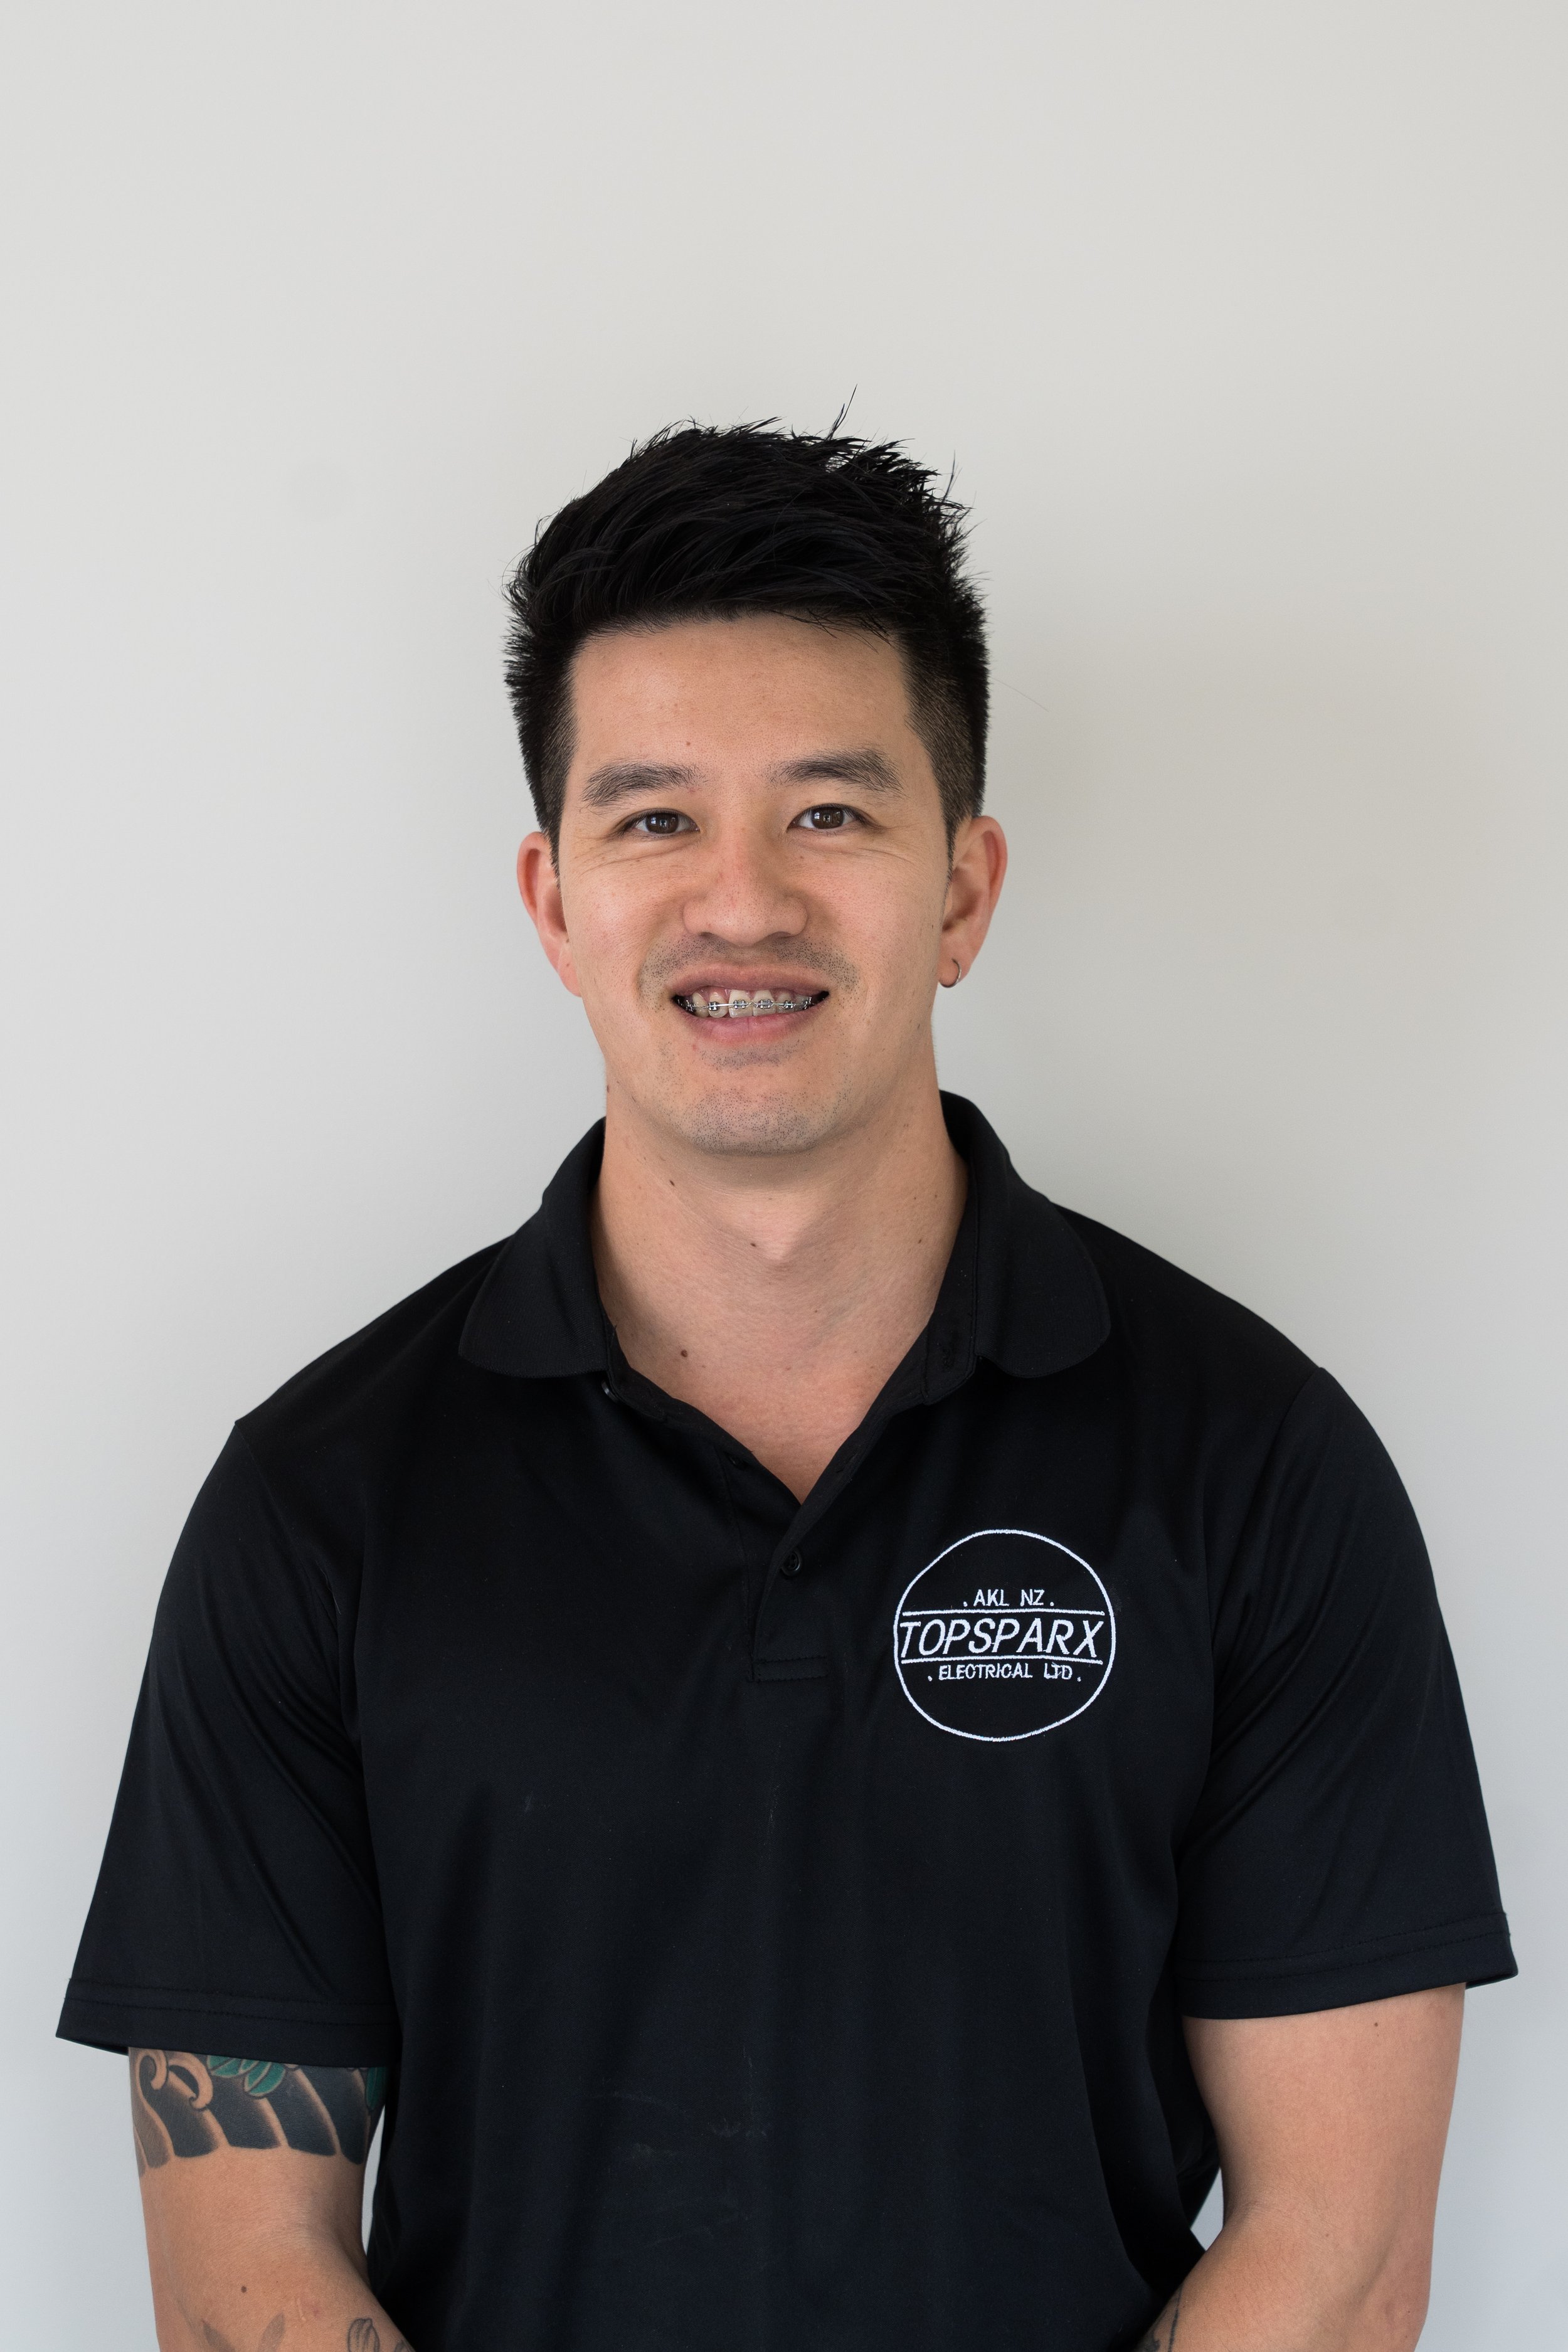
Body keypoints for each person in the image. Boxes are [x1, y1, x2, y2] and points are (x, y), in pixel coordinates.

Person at [60, 423, 1514, 2352]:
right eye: (653, 817)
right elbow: (248, 2284)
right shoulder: (320, 1498)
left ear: (963, 889)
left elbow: (1333, 2260)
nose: (738, 902)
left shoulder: (1253, 1466)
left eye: (828, 814)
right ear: (553, 898)